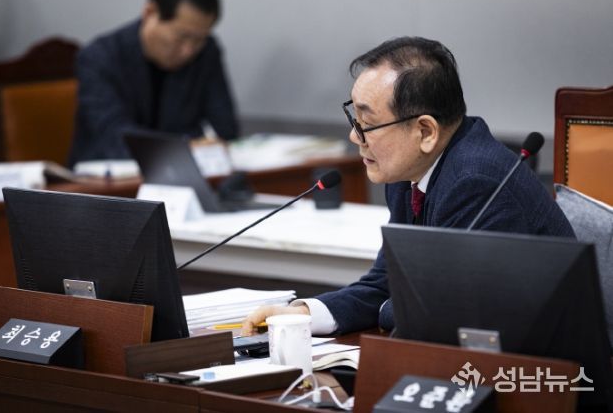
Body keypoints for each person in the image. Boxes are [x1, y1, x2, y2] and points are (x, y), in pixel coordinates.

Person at [241, 37, 575, 336]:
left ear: (426, 132)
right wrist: (304, 314)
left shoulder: (478, 184)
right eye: (354, 118)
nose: (354, 136)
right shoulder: (408, 174)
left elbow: (447, 316)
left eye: (367, 123)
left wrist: (391, 307)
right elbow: (386, 282)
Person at [68, 0, 238, 167]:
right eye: (182, 37)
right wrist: (186, 148)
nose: (188, 51)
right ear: (150, 12)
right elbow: (113, 135)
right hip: (106, 175)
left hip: (180, 174)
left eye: (198, 40)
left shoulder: (206, 53)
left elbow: (225, 127)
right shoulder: (99, 58)